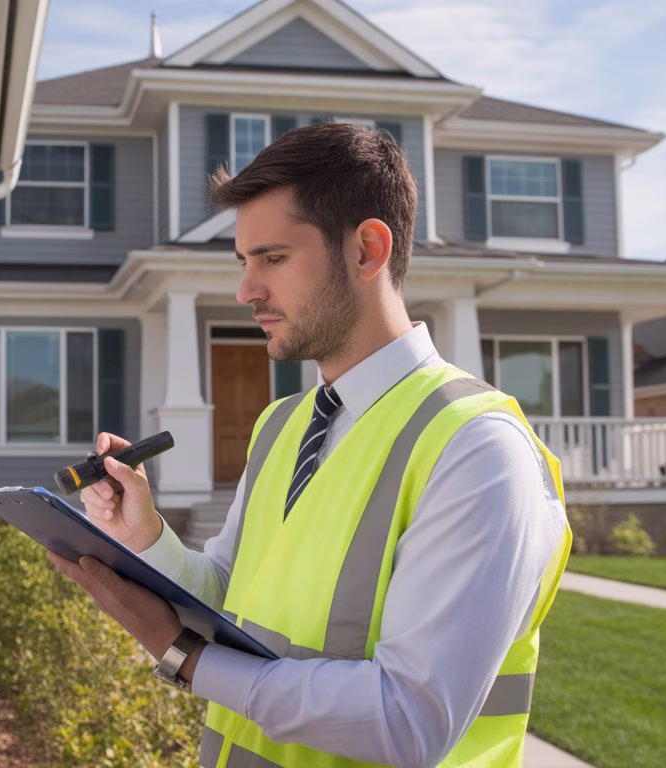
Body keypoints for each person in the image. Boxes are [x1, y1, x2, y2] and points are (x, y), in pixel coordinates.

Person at [47, 121, 571, 768]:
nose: (246, 291)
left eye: (273, 258)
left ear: (367, 250)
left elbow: (407, 719)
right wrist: (148, 535)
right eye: (244, 262)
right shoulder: (281, 425)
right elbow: (233, 596)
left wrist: (184, 657)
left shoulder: (475, 449)